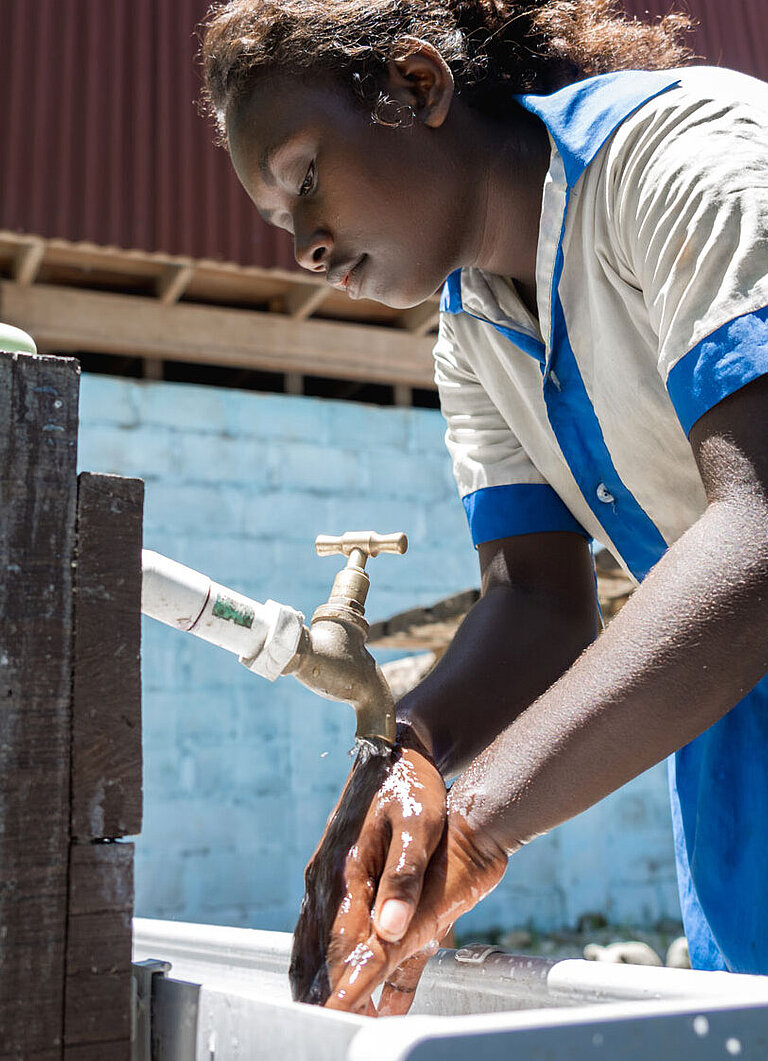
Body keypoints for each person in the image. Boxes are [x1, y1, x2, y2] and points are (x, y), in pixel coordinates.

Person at [200, 0, 768, 1013]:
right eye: (284, 222)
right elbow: (539, 602)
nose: (307, 248)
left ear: (416, 87)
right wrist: (401, 761)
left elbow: (761, 530)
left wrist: (473, 822)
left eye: (305, 178)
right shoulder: (473, 333)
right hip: (740, 760)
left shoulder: (686, 159)